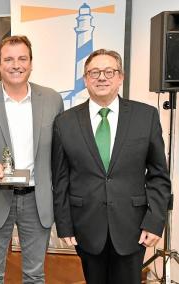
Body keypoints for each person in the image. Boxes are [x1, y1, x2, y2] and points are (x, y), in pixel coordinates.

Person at [52, 48, 171, 283]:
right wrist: (64, 225)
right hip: (86, 227)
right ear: (85, 79)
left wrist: (155, 222)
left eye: (109, 71)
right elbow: (60, 179)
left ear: (120, 77)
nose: (102, 77)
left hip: (134, 228)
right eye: (94, 72)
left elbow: (158, 176)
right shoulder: (64, 123)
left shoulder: (145, 116)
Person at [0, 35, 64, 283]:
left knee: (34, 275)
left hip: (37, 200)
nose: (16, 65)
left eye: (22, 58)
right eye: (8, 59)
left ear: (31, 63)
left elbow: (60, 153)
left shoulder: (52, 99)